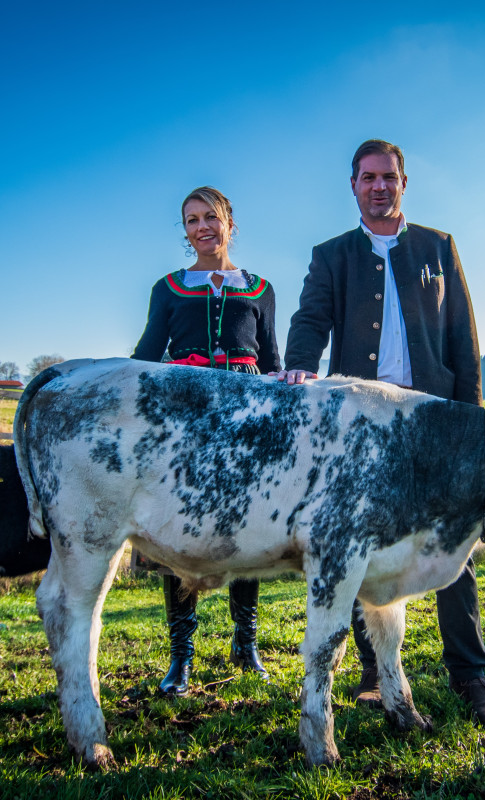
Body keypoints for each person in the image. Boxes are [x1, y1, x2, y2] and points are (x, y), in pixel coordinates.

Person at [273, 139, 485, 731]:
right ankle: (375, 674)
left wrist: (472, 423)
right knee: (357, 545)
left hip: (434, 420)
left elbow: (463, 338)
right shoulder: (332, 255)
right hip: (364, 427)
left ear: (404, 183)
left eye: (389, 177)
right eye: (368, 177)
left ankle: (469, 675)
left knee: (457, 546)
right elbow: (309, 321)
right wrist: (299, 364)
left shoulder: (438, 247)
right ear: (352, 185)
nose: (379, 186)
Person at [132, 185, 281, 694]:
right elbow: (147, 354)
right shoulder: (169, 288)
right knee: (180, 536)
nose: (202, 227)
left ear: (230, 223)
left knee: (250, 530)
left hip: (247, 421)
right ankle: (181, 657)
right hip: (186, 424)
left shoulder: (260, 289)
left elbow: (274, 362)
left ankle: (246, 643)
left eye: (210, 217)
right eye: (191, 220)